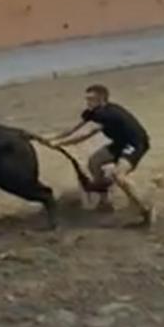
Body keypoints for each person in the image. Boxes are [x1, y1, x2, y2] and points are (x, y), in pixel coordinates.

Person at [51, 84, 154, 223]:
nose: (88, 102)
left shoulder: (107, 114)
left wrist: (60, 144)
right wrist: (53, 139)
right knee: (94, 162)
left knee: (119, 176)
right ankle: (105, 201)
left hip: (135, 144)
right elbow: (75, 129)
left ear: (102, 99)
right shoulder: (93, 112)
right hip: (120, 143)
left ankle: (145, 209)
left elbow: (87, 134)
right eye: (87, 99)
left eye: (91, 99)